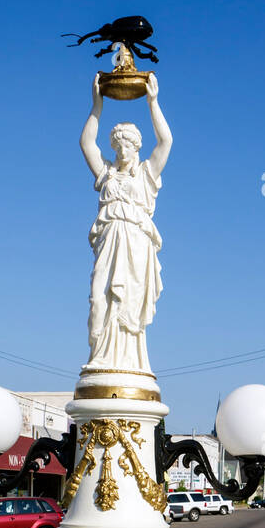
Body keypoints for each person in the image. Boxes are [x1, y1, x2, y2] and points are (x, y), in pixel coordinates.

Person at [79, 72, 172, 373]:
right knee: (99, 300)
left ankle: (129, 365)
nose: (121, 150)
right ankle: (99, 359)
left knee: (128, 304)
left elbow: (166, 141)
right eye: (117, 145)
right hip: (109, 243)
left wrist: (153, 102)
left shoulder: (146, 175)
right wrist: (97, 106)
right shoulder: (106, 173)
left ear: (136, 147)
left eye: (126, 145)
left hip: (135, 246)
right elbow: (86, 142)